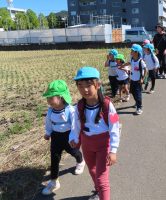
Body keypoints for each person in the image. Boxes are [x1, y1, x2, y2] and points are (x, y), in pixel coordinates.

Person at [69, 66, 120, 200]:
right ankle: (98, 191)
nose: (84, 89)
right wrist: (74, 137)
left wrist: (113, 150)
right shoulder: (79, 106)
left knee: (102, 178)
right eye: (80, 85)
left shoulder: (107, 105)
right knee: (92, 170)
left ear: (97, 85)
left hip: (104, 144)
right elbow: (76, 125)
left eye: (88, 85)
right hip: (87, 144)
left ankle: (102, 192)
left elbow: (115, 127)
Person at [42, 80, 85, 195]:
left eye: (51, 98)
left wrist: (74, 138)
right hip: (55, 137)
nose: (48, 101)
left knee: (73, 151)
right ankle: (54, 181)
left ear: (61, 97)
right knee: (54, 158)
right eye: (47, 98)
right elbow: (49, 123)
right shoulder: (50, 111)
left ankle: (80, 161)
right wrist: (48, 132)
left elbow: (75, 125)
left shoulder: (70, 110)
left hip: (68, 136)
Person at [122, 44, 147, 115]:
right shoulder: (132, 59)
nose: (131, 52)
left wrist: (142, 78)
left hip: (138, 81)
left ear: (136, 52)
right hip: (132, 79)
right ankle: (137, 102)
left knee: (138, 94)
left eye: (132, 51)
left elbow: (145, 70)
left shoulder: (140, 61)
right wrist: (123, 65)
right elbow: (129, 63)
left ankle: (139, 108)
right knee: (132, 92)